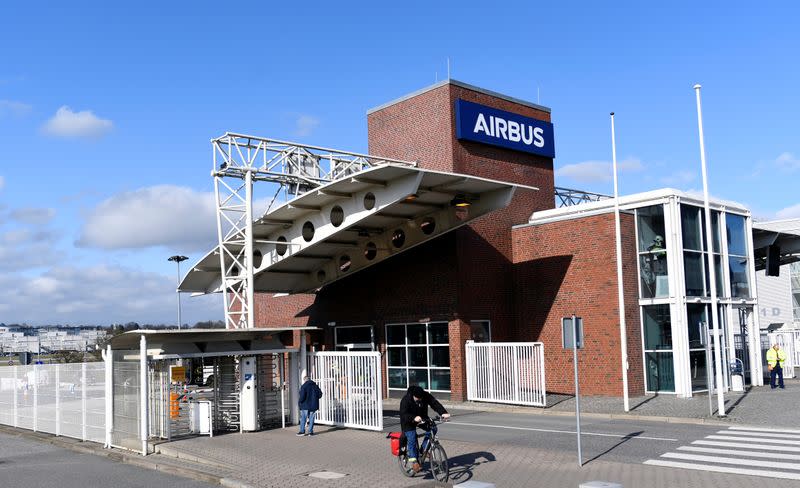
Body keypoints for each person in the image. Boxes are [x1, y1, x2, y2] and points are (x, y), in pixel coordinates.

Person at [399, 385, 450, 473]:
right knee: (412, 437)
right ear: (413, 396)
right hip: (408, 422)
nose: (419, 400)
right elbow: (403, 414)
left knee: (433, 429)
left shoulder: (425, 395)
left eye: (421, 398)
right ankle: (414, 462)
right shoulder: (406, 400)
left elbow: (434, 403)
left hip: (422, 418)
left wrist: (443, 413)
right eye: (417, 399)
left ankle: (423, 450)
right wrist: (413, 417)